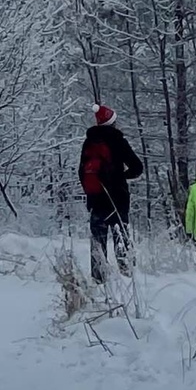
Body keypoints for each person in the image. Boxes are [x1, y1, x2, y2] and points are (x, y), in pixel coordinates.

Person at [78, 104, 144, 281]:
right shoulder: (118, 141)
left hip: (96, 201)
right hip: (117, 200)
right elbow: (137, 167)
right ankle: (127, 276)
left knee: (98, 243)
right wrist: (121, 177)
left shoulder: (88, 143)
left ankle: (99, 279)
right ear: (113, 123)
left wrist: (93, 191)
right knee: (121, 239)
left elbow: (81, 172)